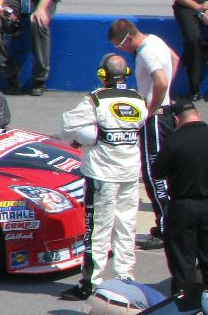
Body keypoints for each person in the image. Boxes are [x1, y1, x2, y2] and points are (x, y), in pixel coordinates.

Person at [59, 55, 149, 300]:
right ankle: (125, 278)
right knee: (126, 226)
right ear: (127, 73)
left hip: (102, 174)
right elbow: (140, 124)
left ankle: (91, 283)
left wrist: (88, 136)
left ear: (102, 75)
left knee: (98, 227)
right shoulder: (139, 99)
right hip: (130, 172)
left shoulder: (95, 99)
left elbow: (67, 125)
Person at [107, 19, 179, 250]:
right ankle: (170, 224)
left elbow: (161, 81)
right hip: (166, 113)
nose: (122, 51)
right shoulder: (156, 40)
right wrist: (164, 97)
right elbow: (175, 60)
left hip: (156, 118)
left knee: (153, 173)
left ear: (128, 38)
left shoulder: (146, 52)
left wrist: (150, 109)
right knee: (166, 172)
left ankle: (166, 229)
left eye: (120, 46)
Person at [152, 99, 208, 293]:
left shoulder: (173, 140)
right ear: (197, 114)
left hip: (182, 207)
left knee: (183, 261)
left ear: (176, 119)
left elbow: (157, 172)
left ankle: (185, 303)